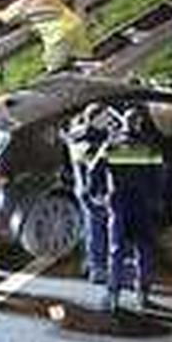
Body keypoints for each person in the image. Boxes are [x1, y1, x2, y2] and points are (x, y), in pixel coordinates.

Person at [95, 105, 166, 313]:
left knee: (116, 250)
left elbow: (94, 171)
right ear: (139, 123)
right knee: (143, 250)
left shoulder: (111, 145)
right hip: (143, 206)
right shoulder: (150, 146)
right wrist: (157, 199)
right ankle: (142, 295)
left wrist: (98, 195)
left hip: (118, 204)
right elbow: (160, 177)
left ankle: (114, 295)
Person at [61, 103, 114, 284]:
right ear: (94, 119)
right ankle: (97, 269)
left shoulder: (80, 134)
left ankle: (90, 263)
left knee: (90, 228)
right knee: (96, 229)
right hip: (91, 192)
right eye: (105, 118)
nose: (108, 121)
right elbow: (93, 165)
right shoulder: (84, 140)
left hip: (85, 189)